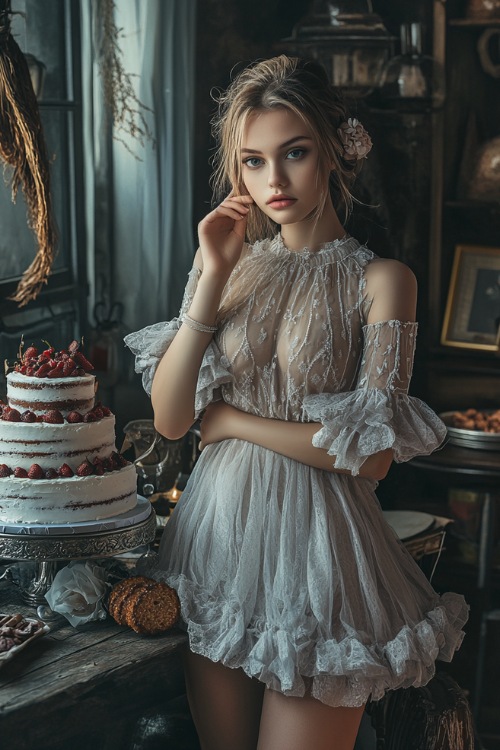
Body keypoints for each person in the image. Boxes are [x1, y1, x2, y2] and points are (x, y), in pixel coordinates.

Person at [125, 55, 468, 750]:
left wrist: (231, 422)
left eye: (295, 154)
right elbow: (171, 417)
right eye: (253, 162)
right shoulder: (227, 263)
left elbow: (368, 458)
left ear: (337, 149)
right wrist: (213, 276)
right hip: (215, 544)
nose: (273, 181)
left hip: (323, 560)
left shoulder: (382, 280)